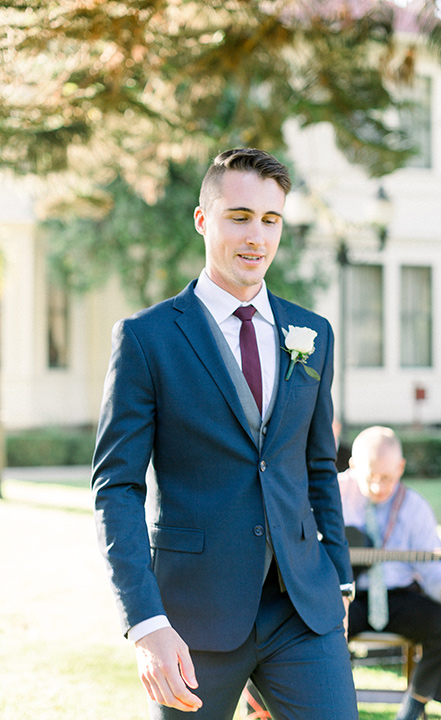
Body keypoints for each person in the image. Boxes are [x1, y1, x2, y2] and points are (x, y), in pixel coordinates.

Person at [92, 148, 358, 720]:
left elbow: (318, 467)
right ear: (202, 219)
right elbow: (116, 488)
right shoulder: (146, 339)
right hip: (191, 617)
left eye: (271, 220)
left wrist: (337, 578)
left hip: (302, 612)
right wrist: (145, 622)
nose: (256, 237)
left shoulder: (313, 332)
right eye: (239, 216)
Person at [339, 425, 441, 720]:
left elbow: (434, 576)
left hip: (399, 597)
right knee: (303, 631)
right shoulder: (330, 496)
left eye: (387, 479)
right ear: (352, 466)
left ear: (401, 467)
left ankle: (412, 709)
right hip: (343, 597)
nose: (378, 487)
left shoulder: (415, 508)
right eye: (370, 478)